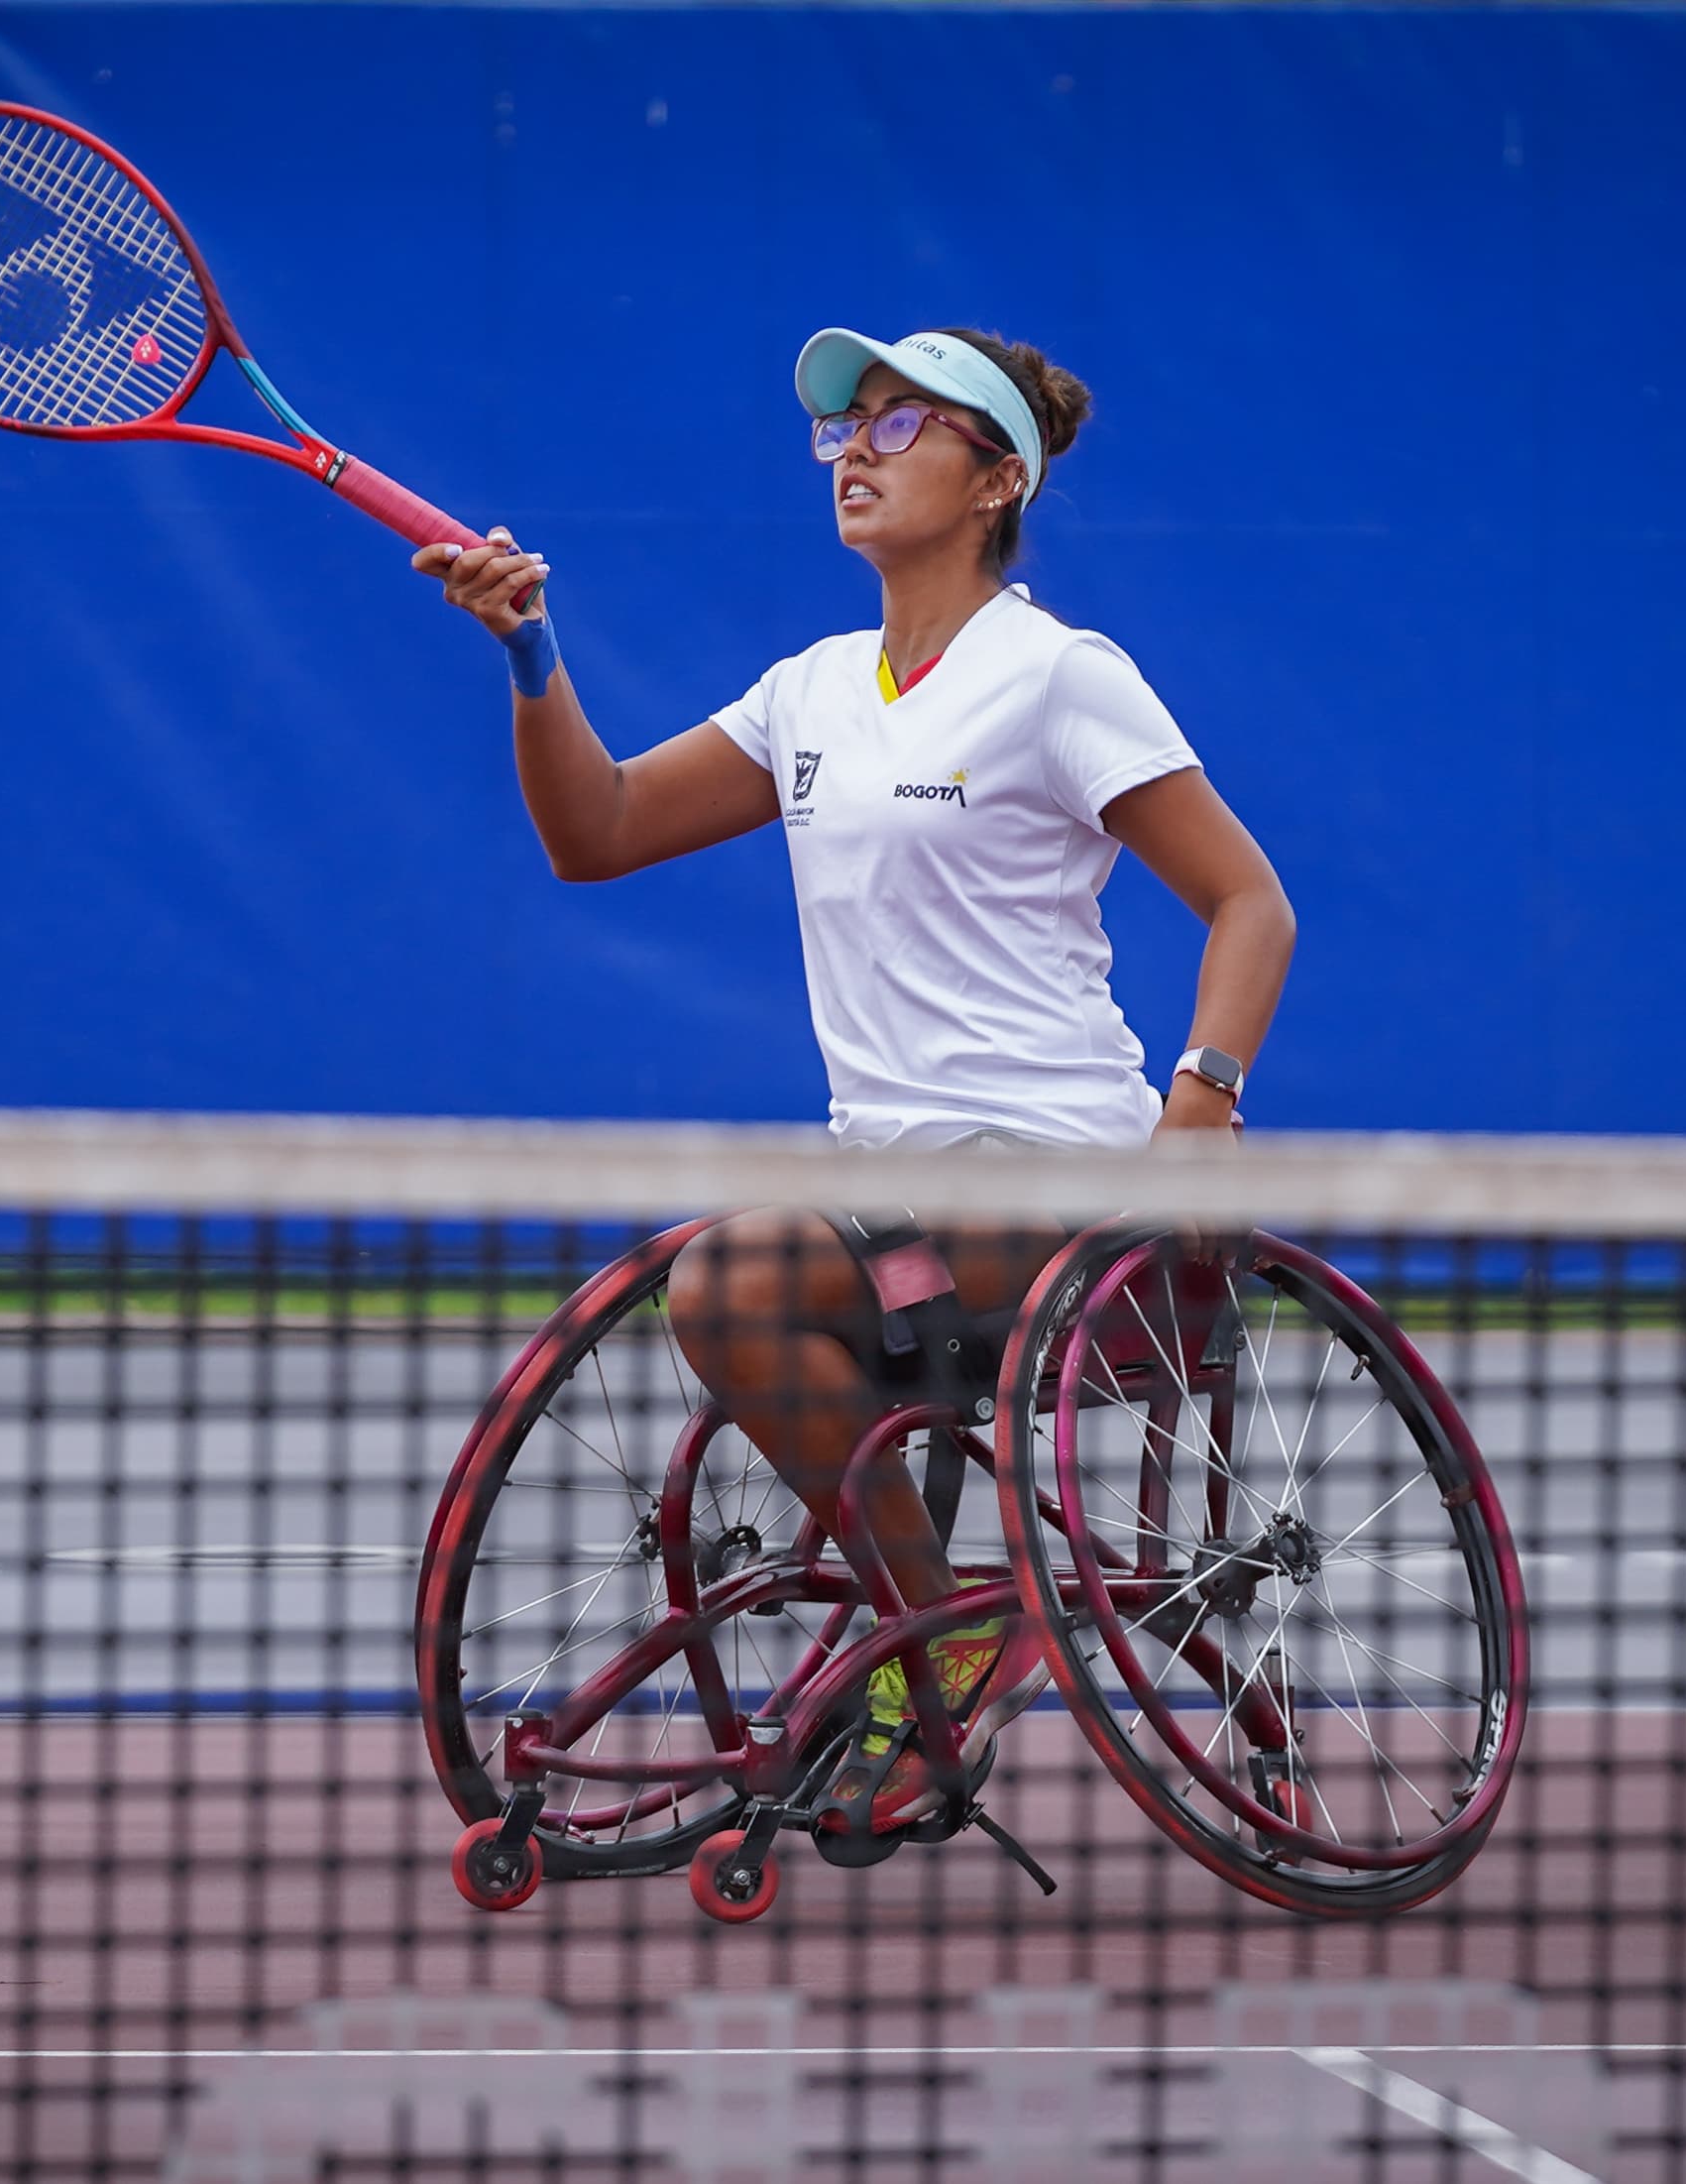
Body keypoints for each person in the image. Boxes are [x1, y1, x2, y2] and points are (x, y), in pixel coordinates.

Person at [413, 325, 1293, 1833]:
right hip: (891, 1198)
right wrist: (529, 656)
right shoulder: (810, 692)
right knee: (743, 1282)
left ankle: (938, 1629)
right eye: (848, 427)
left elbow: (1249, 904)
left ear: (997, 475)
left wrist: (1198, 1111)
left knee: (726, 1285)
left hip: (1061, 1180)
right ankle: (936, 1612)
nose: (858, 452)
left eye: (902, 425)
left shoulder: (1059, 677)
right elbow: (599, 828)